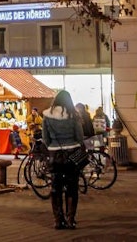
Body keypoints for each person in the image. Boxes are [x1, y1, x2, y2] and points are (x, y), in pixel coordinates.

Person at [42, 90, 86, 230]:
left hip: (55, 155)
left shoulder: (47, 115)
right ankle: (70, 219)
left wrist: (53, 146)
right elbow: (80, 137)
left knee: (56, 188)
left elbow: (45, 138)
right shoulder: (74, 115)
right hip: (72, 154)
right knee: (72, 187)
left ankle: (58, 220)